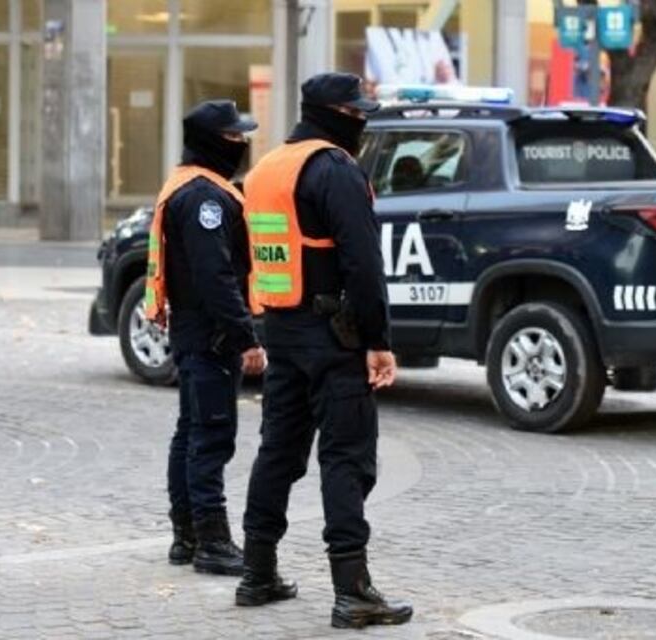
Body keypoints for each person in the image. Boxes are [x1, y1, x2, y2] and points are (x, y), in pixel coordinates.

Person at [235, 72, 412, 629]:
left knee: (278, 452)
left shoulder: (267, 169)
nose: (362, 122)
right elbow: (363, 263)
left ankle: (257, 573)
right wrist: (377, 341)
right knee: (346, 457)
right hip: (335, 336)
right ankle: (352, 590)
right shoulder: (334, 168)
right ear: (335, 114)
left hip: (282, 330)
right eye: (357, 113)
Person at [145, 100, 267, 576]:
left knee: (190, 434)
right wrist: (245, 337)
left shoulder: (188, 186)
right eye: (235, 138)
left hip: (193, 331)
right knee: (211, 438)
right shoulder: (204, 198)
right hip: (210, 335)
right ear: (214, 141)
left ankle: (187, 536)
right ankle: (212, 543)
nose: (242, 144)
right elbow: (215, 275)